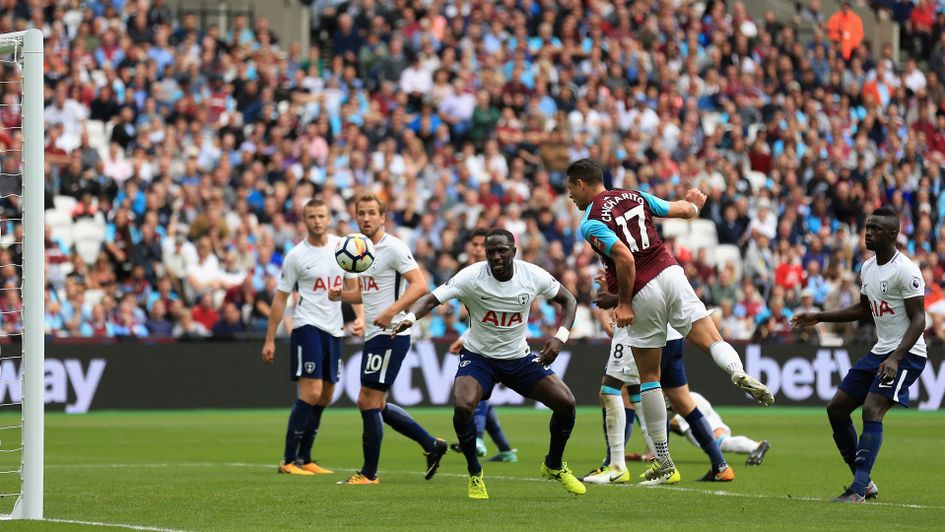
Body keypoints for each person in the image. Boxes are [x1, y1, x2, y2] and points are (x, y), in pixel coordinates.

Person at [566, 158, 773, 485]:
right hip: (672, 273)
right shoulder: (635, 195)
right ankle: (736, 370)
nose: (570, 196)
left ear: (580, 184)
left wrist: (623, 302)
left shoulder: (591, 221)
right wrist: (694, 203)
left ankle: (663, 462)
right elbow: (684, 211)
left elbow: (624, 257)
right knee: (713, 340)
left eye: (570, 189)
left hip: (643, 290)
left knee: (649, 378)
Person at [392, 229, 583, 499]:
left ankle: (553, 464)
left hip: (518, 358)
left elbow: (569, 300)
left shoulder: (532, 275)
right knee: (463, 406)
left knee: (567, 403)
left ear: (514, 251)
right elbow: (432, 299)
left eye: (501, 250)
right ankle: (474, 472)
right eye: (490, 251)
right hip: (479, 357)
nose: (496, 256)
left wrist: (560, 337)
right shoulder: (471, 276)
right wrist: (410, 318)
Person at [791, 205, 928, 503]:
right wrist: (820, 316)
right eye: (867, 227)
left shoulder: (906, 271)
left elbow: (920, 320)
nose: (868, 233)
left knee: (871, 409)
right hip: (881, 350)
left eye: (875, 229)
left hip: (907, 353)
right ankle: (863, 483)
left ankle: (857, 489)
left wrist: (896, 358)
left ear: (892, 234)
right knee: (836, 409)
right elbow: (863, 309)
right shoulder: (867, 268)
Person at [329, 193, 448, 485]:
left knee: (366, 399)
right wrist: (342, 296)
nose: (366, 218)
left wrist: (391, 311)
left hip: (391, 332)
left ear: (382, 217)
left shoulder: (393, 247)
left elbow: (420, 285)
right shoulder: (361, 251)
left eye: (372, 212)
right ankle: (431, 444)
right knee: (377, 403)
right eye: (361, 213)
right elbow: (368, 292)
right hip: (375, 333)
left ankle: (369, 474)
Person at [585, 282, 734, 485]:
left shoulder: (631, 265)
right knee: (683, 403)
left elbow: (638, 289)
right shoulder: (665, 269)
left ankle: (619, 465)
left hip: (652, 333)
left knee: (623, 391)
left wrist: (615, 297)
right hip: (673, 334)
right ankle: (720, 465)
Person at [261, 199, 362, 476]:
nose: (317, 221)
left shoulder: (342, 248)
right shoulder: (296, 256)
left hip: (335, 329)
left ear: (328, 218)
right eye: (312, 217)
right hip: (307, 325)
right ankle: (287, 460)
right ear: (304, 220)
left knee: (326, 395)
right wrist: (270, 339)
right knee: (312, 392)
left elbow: (353, 285)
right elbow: (281, 298)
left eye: (321, 216)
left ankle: (305, 458)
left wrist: (361, 317)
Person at [447, 228, 517, 463]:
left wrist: (464, 338)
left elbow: (494, 314)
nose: (478, 249)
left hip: (502, 342)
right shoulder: (469, 274)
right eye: (475, 245)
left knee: (479, 389)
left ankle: (476, 438)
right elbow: (477, 317)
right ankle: (505, 449)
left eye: (481, 245)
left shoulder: (501, 273)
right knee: (478, 395)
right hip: (480, 339)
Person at [670, 391, 770, 465]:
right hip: (692, 398)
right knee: (720, 441)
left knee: (716, 441)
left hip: (683, 401)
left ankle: (756, 446)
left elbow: (670, 423)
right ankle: (755, 446)